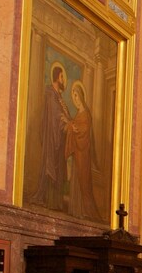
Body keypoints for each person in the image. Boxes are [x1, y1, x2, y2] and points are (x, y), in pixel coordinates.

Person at [28, 62, 71, 211]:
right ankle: (46, 198)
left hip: (59, 137)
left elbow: (64, 114)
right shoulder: (50, 93)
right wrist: (63, 120)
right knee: (50, 166)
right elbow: (54, 114)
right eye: (62, 77)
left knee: (59, 168)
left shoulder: (59, 96)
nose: (63, 80)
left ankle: (56, 202)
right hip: (51, 138)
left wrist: (68, 122)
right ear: (56, 77)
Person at [65, 81, 101, 222]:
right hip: (76, 153)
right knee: (76, 178)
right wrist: (71, 128)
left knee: (82, 180)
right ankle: (75, 209)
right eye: (73, 96)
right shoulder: (77, 114)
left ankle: (83, 210)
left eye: (76, 95)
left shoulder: (85, 114)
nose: (75, 99)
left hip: (83, 154)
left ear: (81, 96)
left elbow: (84, 133)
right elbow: (73, 128)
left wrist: (75, 130)